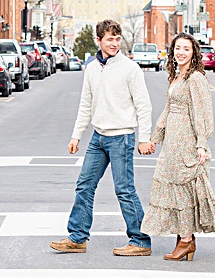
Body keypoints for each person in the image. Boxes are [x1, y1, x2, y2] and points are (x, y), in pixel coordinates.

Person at [50, 18, 155, 257]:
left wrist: (144, 138)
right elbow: (86, 104)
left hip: (122, 138)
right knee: (84, 185)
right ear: (99, 40)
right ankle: (77, 238)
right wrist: (76, 135)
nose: (115, 44)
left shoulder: (130, 68)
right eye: (110, 39)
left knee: (124, 190)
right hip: (98, 138)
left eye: (117, 39)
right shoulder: (93, 69)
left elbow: (144, 106)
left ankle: (140, 241)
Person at [141, 32, 215, 261]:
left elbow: (203, 114)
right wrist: (155, 137)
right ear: (172, 51)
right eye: (178, 48)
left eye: (186, 49)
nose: (181, 53)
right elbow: (168, 109)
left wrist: (201, 143)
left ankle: (186, 241)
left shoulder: (196, 79)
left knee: (184, 193)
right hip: (172, 142)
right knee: (174, 192)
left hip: (187, 141)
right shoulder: (176, 77)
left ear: (194, 53)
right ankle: (184, 237)